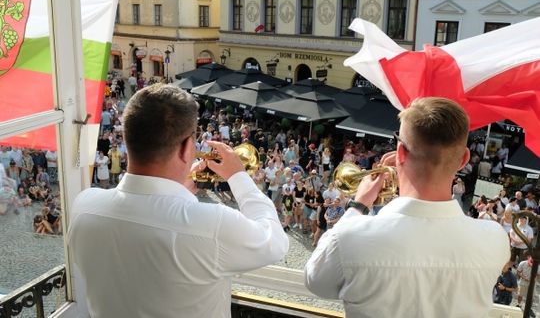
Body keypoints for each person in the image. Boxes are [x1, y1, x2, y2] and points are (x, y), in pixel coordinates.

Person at [68, 84, 288, 317]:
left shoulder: (84, 206)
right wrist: (238, 176)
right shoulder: (213, 223)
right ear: (186, 147)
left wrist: (177, 188)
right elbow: (275, 243)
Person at [305, 97, 509, 317]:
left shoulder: (350, 236)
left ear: (400, 152)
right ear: (464, 159)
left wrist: (358, 206)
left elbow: (315, 281)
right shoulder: (495, 237)